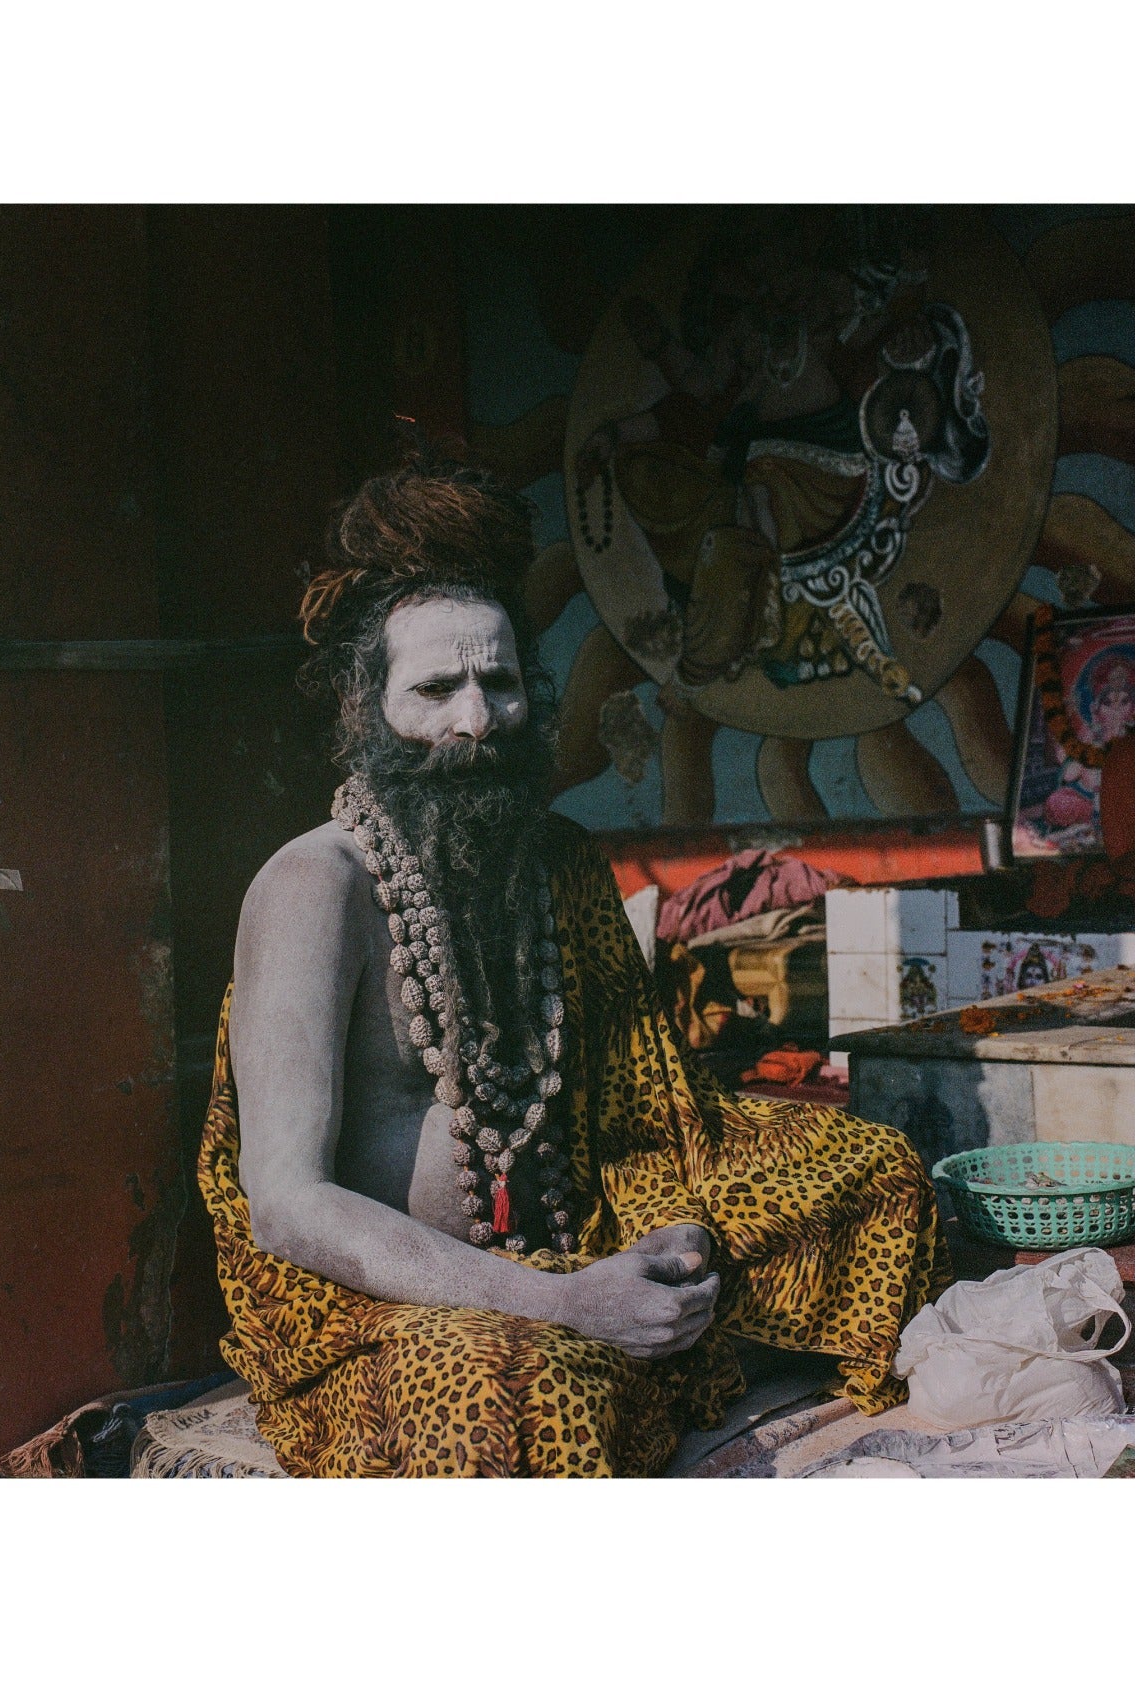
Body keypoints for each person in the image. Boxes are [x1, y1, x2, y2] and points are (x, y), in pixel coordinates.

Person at [197, 456, 949, 1476]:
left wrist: (666, 1223)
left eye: (498, 682)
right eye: (434, 689)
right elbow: (284, 1201)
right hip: (373, 1303)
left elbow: (647, 1112)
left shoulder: (552, 861)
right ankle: (592, 1331)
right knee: (521, 1379)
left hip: (573, 1226)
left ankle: (630, 1312)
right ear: (363, 705)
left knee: (876, 1173)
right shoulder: (312, 885)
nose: (475, 720)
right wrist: (560, 1300)